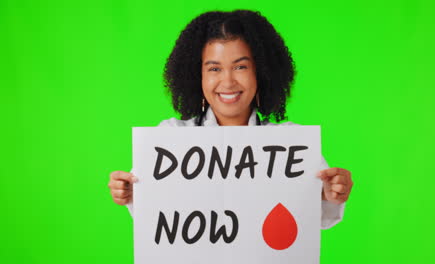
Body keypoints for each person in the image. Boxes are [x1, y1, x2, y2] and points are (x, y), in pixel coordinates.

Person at [107, 9, 353, 229]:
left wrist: (328, 194)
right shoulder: (171, 138)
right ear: (197, 76)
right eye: (214, 68)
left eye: (240, 67)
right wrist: (131, 194)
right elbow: (160, 220)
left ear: (262, 72)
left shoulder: (291, 144)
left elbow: (314, 222)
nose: (228, 82)